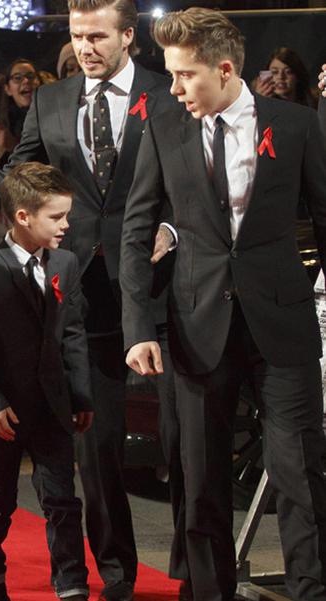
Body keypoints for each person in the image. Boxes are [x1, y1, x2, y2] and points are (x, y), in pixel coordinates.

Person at [0, 2, 177, 598]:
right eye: (77, 35)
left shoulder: (166, 92)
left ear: (128, 36)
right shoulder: (52, 100)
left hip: (161, 291)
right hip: (81, 295)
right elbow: (18, 175)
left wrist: (172, 227)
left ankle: (195, 572)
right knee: (97, 448)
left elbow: (194, 176)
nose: (85, 47)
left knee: (181, 445)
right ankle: (117, 575)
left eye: (98, 36)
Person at [120, 7, 326, 601]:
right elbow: (137, 231)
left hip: (281, 324)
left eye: (185, 75)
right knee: (202, 481)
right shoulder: (164, 124)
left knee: (300, 474)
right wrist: (138, 326)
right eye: (171, 75)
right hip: (196, 325)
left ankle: (312, 591)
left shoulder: (295, 124)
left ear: (226, 69)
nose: (174, 88)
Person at [0, 161, 93, 601]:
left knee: (63, 500)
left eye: (67, 215)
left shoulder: (66, 263)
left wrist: (81, 394)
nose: (66, 225)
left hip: (53, 406)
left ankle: (71, 584)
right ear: (22, 216)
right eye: (57, 217)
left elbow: (73, 333)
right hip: (2, 411)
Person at [0, 58, 40, 154]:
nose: (26, 81)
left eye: (30, 76)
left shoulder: (52, 116)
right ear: (8, 89)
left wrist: (14, 146)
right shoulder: (6, 123)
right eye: (17, 78)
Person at [253, 46, 318, 108]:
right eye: (275, 72)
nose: (281, 77)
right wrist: (258, 102)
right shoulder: (256, 102)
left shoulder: (314, 103)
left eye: (288, 72)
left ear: (297, 76)